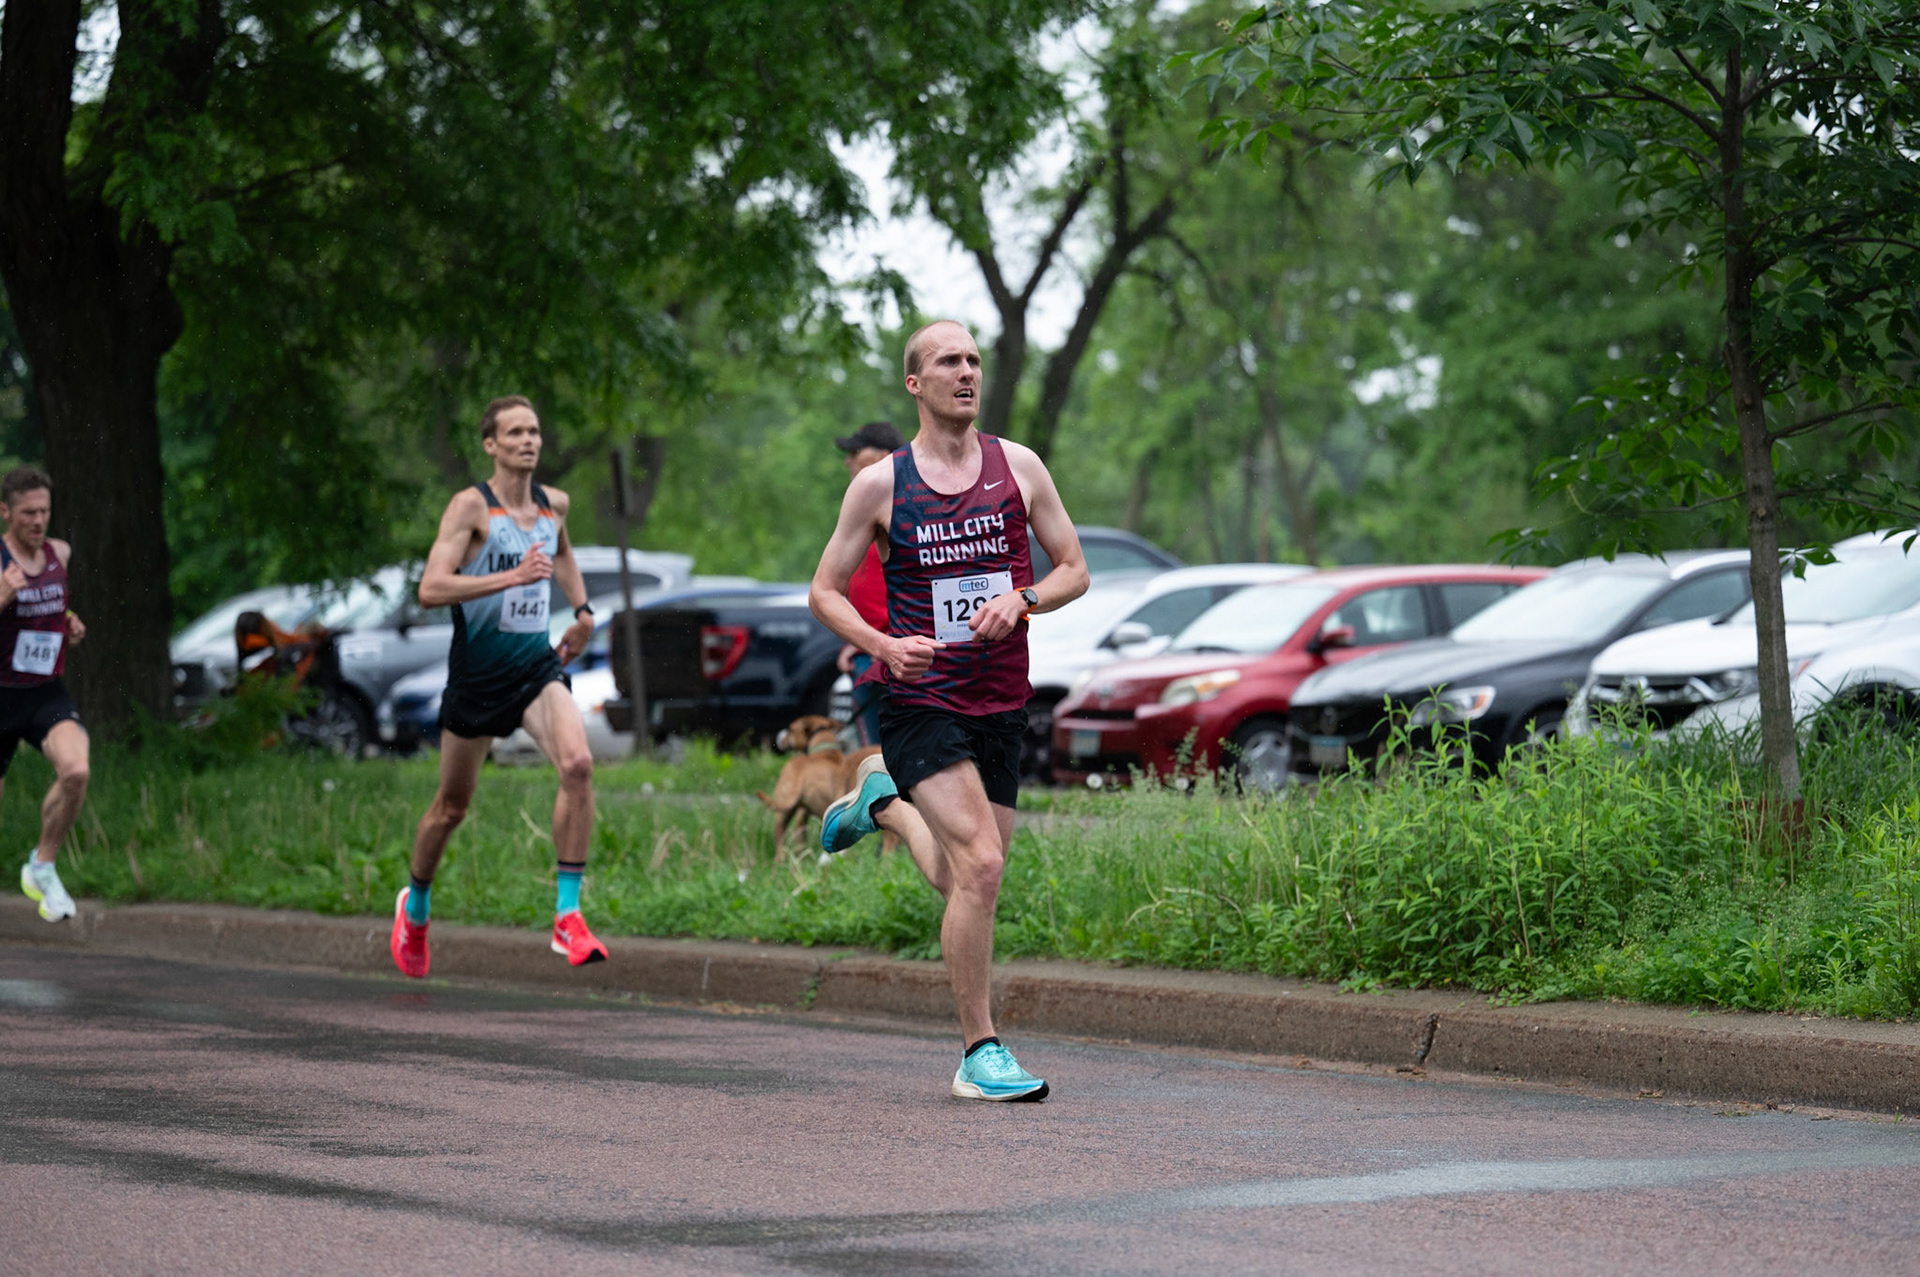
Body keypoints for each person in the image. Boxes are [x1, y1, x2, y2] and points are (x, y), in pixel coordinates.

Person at [809, 320, 1089, 1101]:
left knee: (963, 872)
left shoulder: (1018, 466)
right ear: (915, 383)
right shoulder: (881, 485)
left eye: (973, 360)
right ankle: (979, 1050)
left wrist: (1023, 598)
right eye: (948, 361)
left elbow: (1073, 569)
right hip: (920, 700)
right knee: (984, 865)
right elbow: (823, 591)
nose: (966, 372)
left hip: (1001, 701)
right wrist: (883, 645)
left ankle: (884, 806)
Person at [390, 396, 608, 977]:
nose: (528, 440)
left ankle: (567, 915)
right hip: (477, 679)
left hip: (534, 667)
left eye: (534, 431)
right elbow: (431, 589)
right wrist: (511, 576)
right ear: (491, 445)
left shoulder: (554, 505)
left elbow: (563, 553)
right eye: (515, 433)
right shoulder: (471, 507)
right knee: (450, 808)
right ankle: (416, 907)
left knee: (578, 764)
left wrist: (583, 612)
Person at [0, 466, 89, 923]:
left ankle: (43, 866)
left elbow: (53, 604)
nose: (38, 521)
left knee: (76, 771)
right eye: (28, 513)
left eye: (44, 511)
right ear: (6, 512)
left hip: (44, 692)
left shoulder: (59, 552)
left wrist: (68, 622)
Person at [833, 421, 905, 746]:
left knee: (895, 752)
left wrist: (887, 643)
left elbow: (915, 587)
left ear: (884, 456)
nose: (848, 460)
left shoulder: (904, 505)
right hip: (870, 651)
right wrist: (858, 640)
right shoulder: (863, 506)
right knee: (873, 753)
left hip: (897, 654)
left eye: (855, 452)